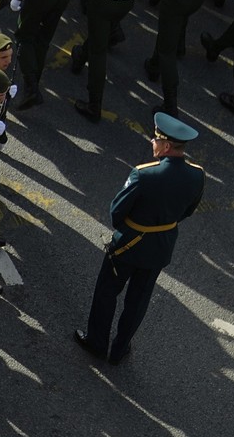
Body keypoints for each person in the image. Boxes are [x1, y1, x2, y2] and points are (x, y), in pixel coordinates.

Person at [74, 112, 204, 365]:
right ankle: (119, 349)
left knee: (106, 292)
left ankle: (97, 342)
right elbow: (188, 211)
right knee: (138, 301)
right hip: (160, 247)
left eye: (156, 140)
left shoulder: (143, 174)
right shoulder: (197, 174)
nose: (152, 142)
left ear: (166, 146)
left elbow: (116, 212)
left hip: (128, 244)